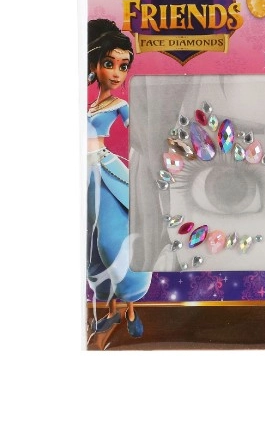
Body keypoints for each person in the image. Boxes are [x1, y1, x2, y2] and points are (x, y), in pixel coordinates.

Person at [87, 18, 151, 338]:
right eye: (109, 64)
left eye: (123, 66)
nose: (116, 73)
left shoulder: (120, 104)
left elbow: (139, 132)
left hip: (106, 169)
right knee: (93, 242)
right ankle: (110, 311)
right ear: (94, 64)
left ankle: (132, 307)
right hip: (85, 175)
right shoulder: (88, 105)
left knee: (112, 240)